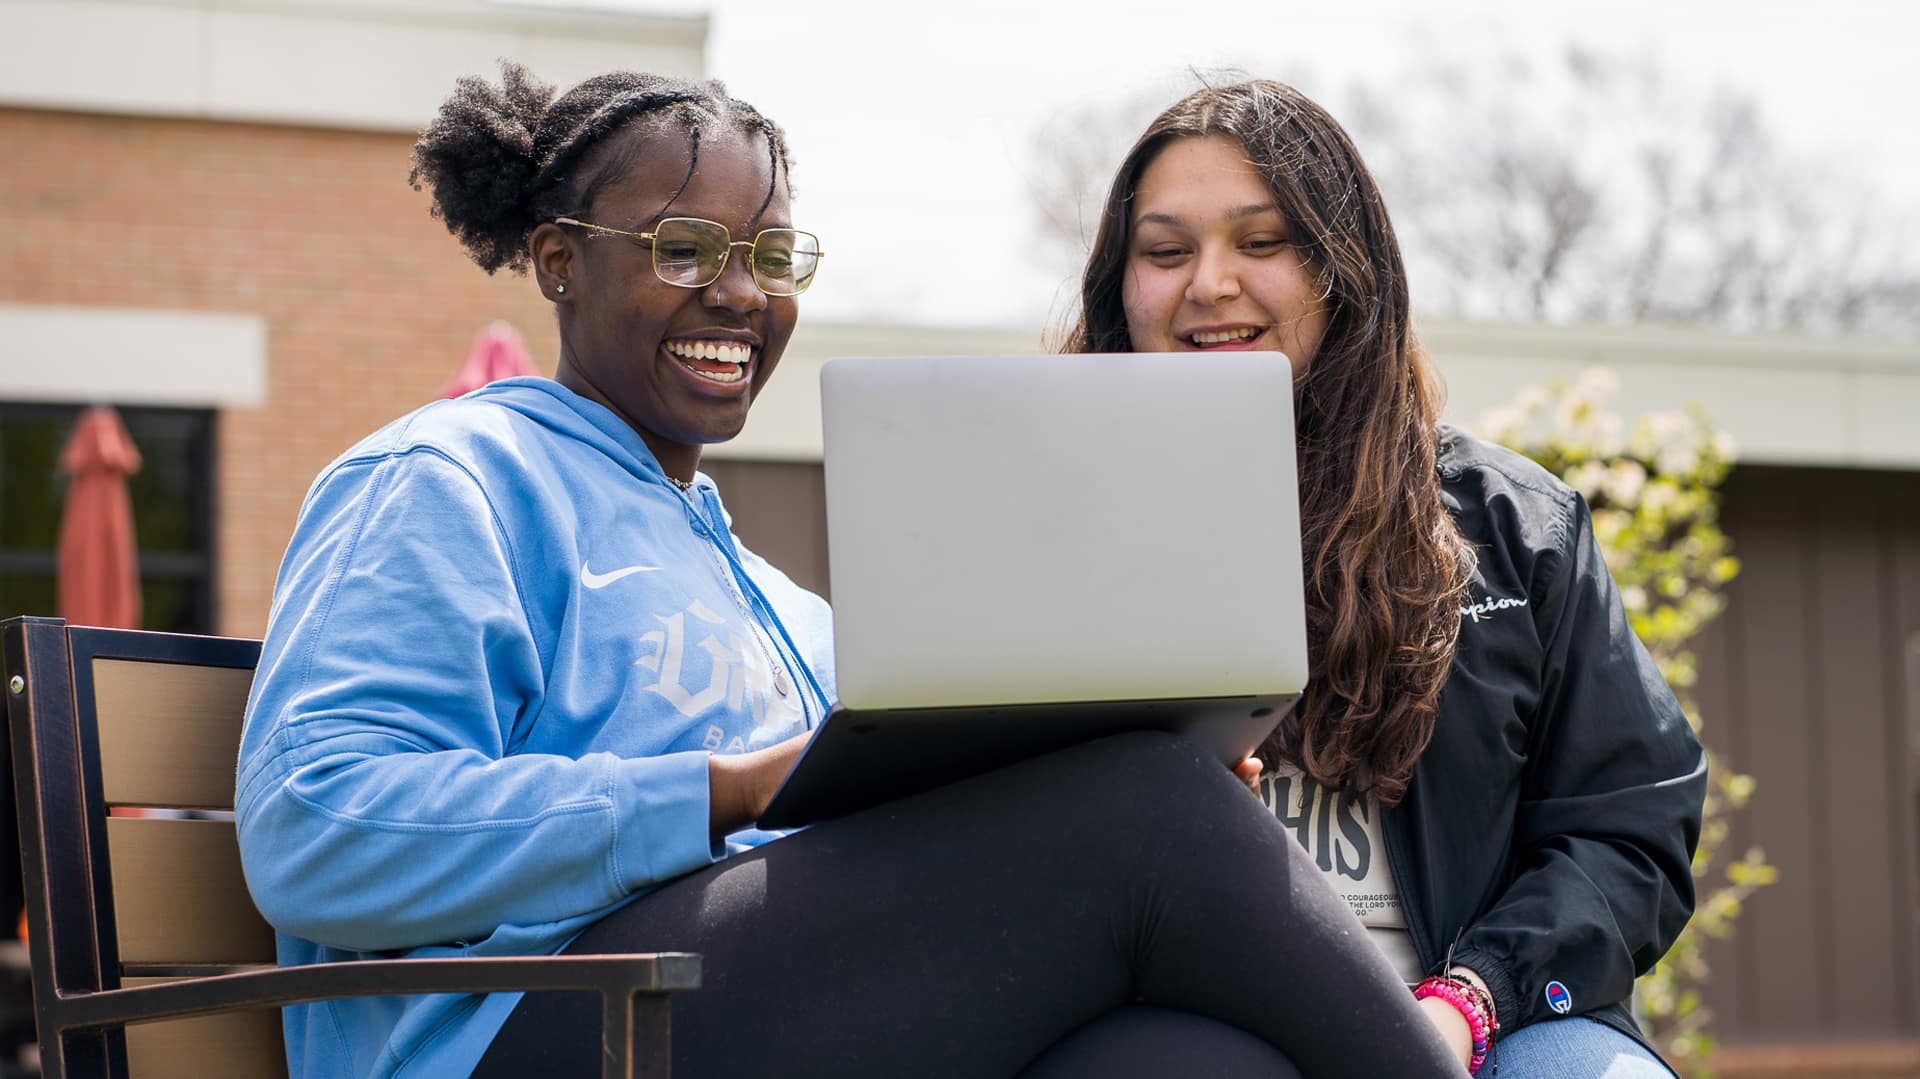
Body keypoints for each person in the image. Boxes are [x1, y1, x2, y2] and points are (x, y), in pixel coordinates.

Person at [235, 64, 1465, 1078]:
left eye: (772, 256)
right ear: (558, 260)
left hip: (716, 1005)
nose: (739, 293)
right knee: (1154, 814)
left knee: (1180, 1063)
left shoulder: (773, 596)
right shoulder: (451, 478)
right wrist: (720, 790)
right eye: (685, 245)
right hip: (527, 1030)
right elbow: (316, 823)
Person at [1065, 79, 1708, 1078]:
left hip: (1491, 1024)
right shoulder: (1054, 525)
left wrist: (1474, 996)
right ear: (1122, 288)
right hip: (1183, 1030)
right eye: (1165, 250)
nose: (1209, 282)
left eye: (1261, 241)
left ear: (1342, 269)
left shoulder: (1515, 528)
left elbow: (1627, 832)